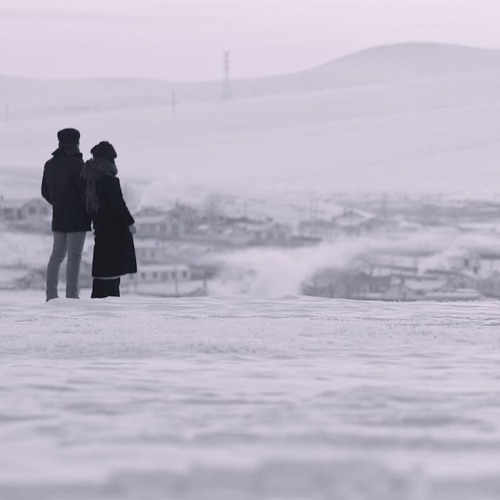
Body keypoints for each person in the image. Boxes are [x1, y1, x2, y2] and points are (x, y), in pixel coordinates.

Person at [80, 141, 137, 298]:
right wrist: (130, 222)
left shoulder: (87, 178)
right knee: (113, 269)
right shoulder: (109, 180)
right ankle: (112, 302)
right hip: (115, 229)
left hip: (99, 227)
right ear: (108, 161)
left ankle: (97, 299)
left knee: (101, 268)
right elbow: (118, 204)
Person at [42, 128, 91, 301]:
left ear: (59, 143)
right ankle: (71, 294)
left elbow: (45, 192)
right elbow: (87, 193)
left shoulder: (50, 164)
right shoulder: (80, 165)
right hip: (77, 217)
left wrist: (58, 204)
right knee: (74, 256)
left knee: (56, 255)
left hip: (59, 215)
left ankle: (51, 294)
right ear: (77, 143)